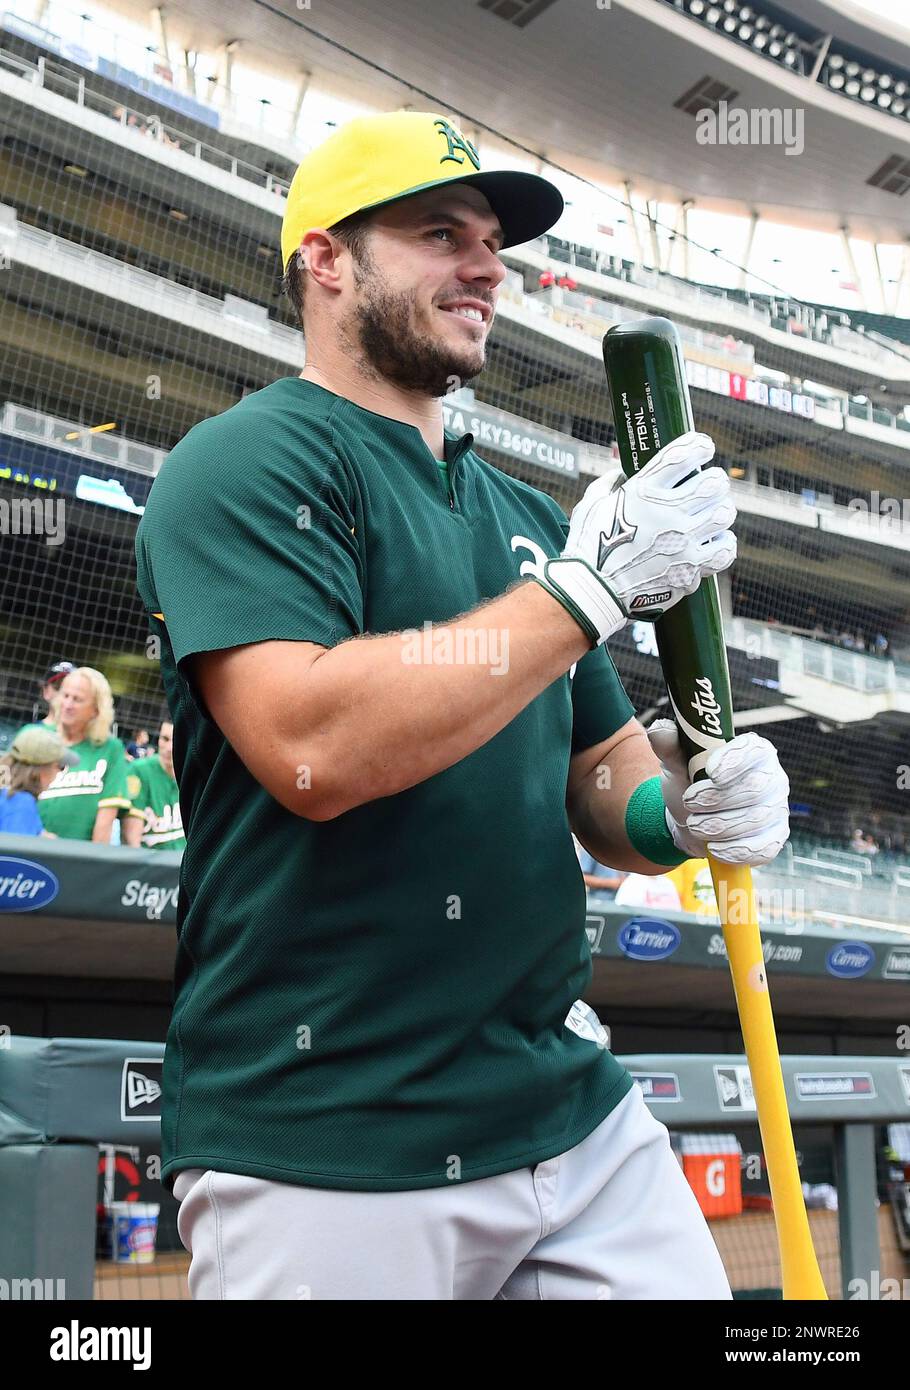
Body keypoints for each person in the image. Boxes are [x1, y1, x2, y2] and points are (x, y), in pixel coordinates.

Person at [135, 109, 790, 1301]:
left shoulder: (530, 514)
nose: (488, 267)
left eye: (492, 242)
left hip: (569, 1113)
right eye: (441, 233)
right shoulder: (244, 463)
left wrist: (681, 812)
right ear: (325, 258)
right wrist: (584, 594)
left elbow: (596, 780)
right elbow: (313, 747)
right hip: (330, 1131)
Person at [25, 667, 130, 842]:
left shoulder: (111, 748)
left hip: (79, 858)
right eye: (65, 696)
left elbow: (106, 820)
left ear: (96, 710)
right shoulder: (32, 736)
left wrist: (93, 864)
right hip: (31, 853)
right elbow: (14, 801)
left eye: (77, 699)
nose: (67, 704)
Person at [0, 726, 78, 836]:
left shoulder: (8, 795)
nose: (59, 773)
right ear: (41, 770)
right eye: (60, 766)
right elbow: (15, 851)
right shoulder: (20, 803)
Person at [123, 720, 185, 851]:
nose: (169, 747)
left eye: (176, 739)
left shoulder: (196, 771)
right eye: (165, 739)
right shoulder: (139, 771)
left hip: (185, 865)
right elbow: (132, 840)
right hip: (153, 866)